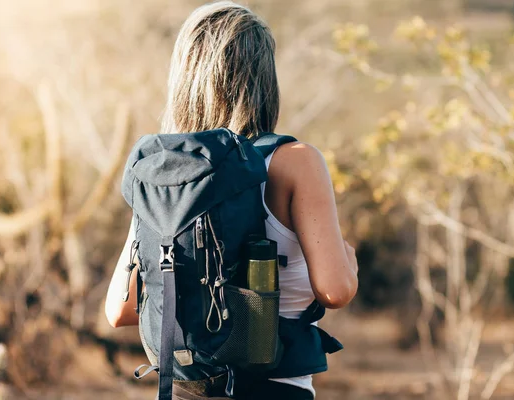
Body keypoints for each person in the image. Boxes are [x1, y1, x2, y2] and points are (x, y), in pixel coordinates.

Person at [105, 2, 359, 399]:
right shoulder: (295, 162)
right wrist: (348, 259)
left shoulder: (163, 175)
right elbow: (336, 290)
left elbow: (118, 310)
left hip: (187, 389)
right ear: (264, 79)